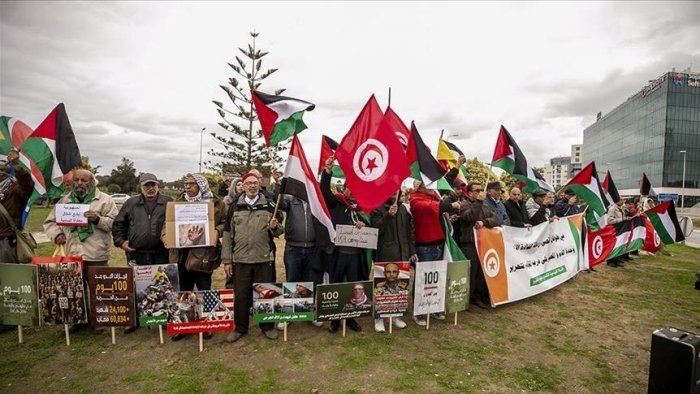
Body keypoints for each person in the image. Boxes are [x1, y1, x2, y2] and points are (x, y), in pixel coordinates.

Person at [44, 168, 118, 333]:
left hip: (96, 252)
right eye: (76, 180)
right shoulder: (64, 201)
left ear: (91, 182)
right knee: (75, 289)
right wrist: (57, 235)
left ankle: (100, 319)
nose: (79, 183)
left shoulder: (105, 200)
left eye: (83, 180)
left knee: (99, 289)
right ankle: (78, 319)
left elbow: (115, 223)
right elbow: (50, 223)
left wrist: (97, 219)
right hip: (72, 253)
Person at [222, 172, 283, 343]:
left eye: (255, 183)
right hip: (240, 259)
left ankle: (267, 326)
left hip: (263, 259)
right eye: (248, 183)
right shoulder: (235, 206)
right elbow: (227, 234)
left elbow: (279, 231)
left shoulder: (270, 205)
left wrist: (275, 227)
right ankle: (241, 327)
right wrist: (227, 260)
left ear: (260, 184)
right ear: (243, 185)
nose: (252, 186)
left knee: (265, 294)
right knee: (241, 296)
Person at [167, 173, 227, 341]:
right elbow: (168, 222)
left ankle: (206, 324)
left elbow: (224, 222)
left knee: (204, 288)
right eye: (186, 183)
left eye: (192, 184)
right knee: (184, 290)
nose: (188, 187)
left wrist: (217, 230)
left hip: (204, 254)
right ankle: (184, 326)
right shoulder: (177, 202)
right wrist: (166, 234)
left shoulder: (217, 203)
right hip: (182, 253)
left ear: (201, 185)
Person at [112, 173, 171, 333]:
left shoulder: (168, 202)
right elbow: (118, 224)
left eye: (153, 185)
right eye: (147, 186)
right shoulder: (131, 203)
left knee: (163, 285)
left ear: (158, 186)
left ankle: (165, 316)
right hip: (137, 252)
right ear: (141, 187)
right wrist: (120, 241)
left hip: (161, 252)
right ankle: (135, 319)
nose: (150, 188)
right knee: (136, 286)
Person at [320, 155, 369, 334]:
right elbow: (324, 192)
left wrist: (363, 227)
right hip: (339, 254)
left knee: (355, 287)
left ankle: (351, 318)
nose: (353, 193)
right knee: (336, 285)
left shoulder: (361, 209)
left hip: (356, 256)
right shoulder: (337, 202)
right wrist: (328, 171)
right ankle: (334, 319)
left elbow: (371, 230)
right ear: (345, 189)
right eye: (351, 189)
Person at [409, 179, 460, 325]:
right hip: (424, 245)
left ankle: (434, 307)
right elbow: (432, 207)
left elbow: (443, 185)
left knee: (437, 279)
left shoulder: (434, 196)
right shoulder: (415, 199)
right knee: (422, 279)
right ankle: (418, 311)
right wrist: (450, 205)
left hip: (439, 243)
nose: (431, 187)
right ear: (419, 187)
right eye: (427, 184)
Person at [274, 184, 325, 329]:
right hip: (293, 248)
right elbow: (279, 202)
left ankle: (309, 312)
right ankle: (288, 314)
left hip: (312, 248)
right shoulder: (290, 202)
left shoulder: (315, 204)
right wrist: (280, 184)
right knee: (292, 281)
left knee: (310, 282)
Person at [370, 194, 415, 332]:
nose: (395, 194)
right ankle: (379, 318)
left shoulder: (403, 209)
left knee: (400, 287)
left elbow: (409, 232)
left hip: (402, 253)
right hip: (386, 254)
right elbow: (376, 229)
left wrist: (411, 250)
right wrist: (388, 215)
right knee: (383, 287)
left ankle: (396, 316)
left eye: (397, 192)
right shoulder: (377, 208)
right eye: (392, 192)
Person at [458, 183, 500, 309]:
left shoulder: (485, 206)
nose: (480, 192)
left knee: (480, 273)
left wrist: (484, 222)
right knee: (471, 272)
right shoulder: (464, 205)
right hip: (469, 243)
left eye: (482, 190)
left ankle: (478, 296)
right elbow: (470, 216)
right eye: (477, 190)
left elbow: (496, 219)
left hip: (483, 244)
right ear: (470, 193)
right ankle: (467, 298)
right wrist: (478, 202)